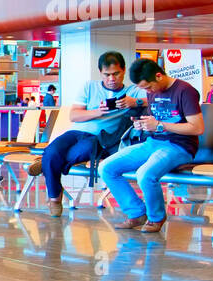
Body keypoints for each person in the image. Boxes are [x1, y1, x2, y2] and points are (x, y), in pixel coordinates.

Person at [24, 51, 147, 216]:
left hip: (101, 138)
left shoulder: (132, 91)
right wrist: (98, 112)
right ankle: (54, 197)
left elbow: (153, 99)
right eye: (107, 75)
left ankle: (46, 163)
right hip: (76, 131)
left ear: (124, 70)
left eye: (116, 74)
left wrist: (134, 102)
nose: (111, 79)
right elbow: (74, 115)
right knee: (53, 150)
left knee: (75, 153)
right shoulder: (89, 87)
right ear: (100, 73)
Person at [100, 57, 203, 233]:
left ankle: (156, 217)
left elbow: (198, 128)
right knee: (106, 167)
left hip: (179, 146)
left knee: (145, 174)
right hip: (153, 142)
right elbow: (154, 115)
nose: (148, 91)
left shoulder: (185, 91)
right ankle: (136, 213)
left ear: (158, 76)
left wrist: (160, 125)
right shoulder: (153, 91)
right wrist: (143, 124)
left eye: (148, 87)